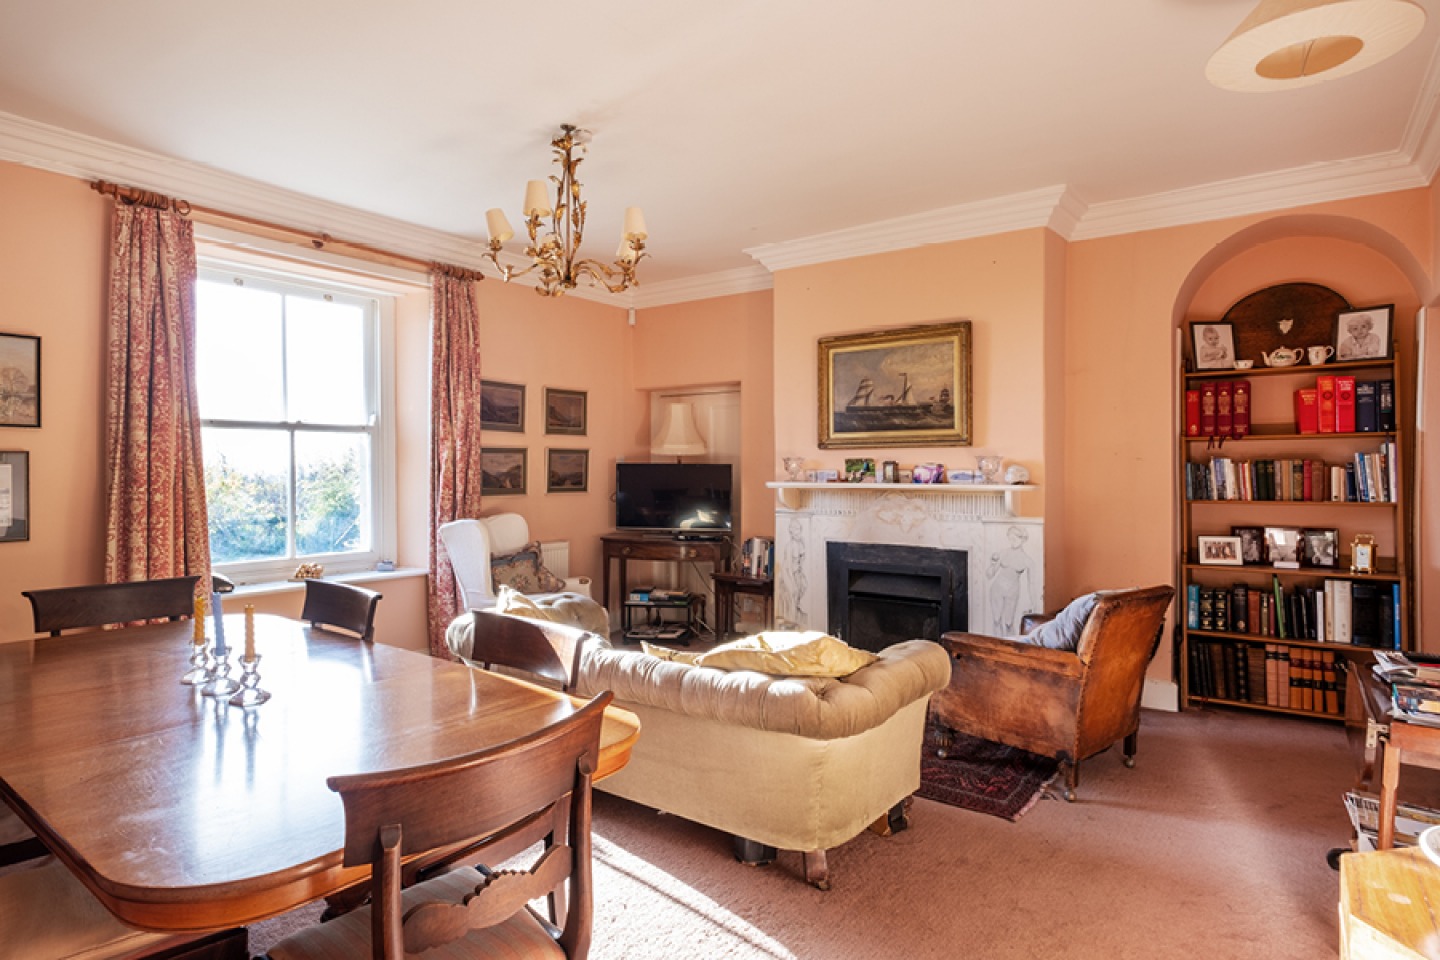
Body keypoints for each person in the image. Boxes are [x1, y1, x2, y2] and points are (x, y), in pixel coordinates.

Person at [987, 525, 1035, 635]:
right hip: (997, 589)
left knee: (1008, 623)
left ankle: (1007, 647)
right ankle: (995, 646)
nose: (1012, 541)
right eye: (1010, 539)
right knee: (996, 620)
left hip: (1012, 592)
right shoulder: (1003, 553)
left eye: (1014, 539)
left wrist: (1033, 603)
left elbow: (1031, 583)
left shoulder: (1027, 560)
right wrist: (992, 564)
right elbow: (990, 574)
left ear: (1022, 540)